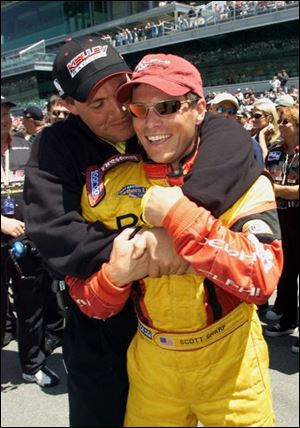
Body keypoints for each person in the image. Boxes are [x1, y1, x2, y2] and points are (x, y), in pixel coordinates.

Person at [66, 54, 283, 427]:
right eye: (138, 108)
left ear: (199, 109)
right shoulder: (107, 185)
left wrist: (178, 219)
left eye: (167, 107)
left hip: (231, 365)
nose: (151, 123)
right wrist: (115, 278)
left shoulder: (243, 180)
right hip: (152, 367)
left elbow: (261, 279)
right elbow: (89, 303)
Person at [24, 35, 190, 427]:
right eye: (97, 103)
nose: (118, 110)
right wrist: (147, 246)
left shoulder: (150, 116)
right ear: (69, 106)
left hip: (171, 319)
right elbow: (55, 233)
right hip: (98, 326)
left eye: (120, 91)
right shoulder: (54, 145)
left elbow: (221, 135)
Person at [1, 95, 63, 386]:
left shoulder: (27, 145)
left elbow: (42, 189)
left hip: (26, 241)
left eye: (5, 114)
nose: (3, 119)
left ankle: (32, 365)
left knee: (31, 307)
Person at [264, 105, 299, 354]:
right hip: (280, 215)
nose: (282, 124)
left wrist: (274, 189)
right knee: (286, 269)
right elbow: (263, 174)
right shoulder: (276, 150)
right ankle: (288, 319)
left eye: (287, 121)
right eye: (282, 120)